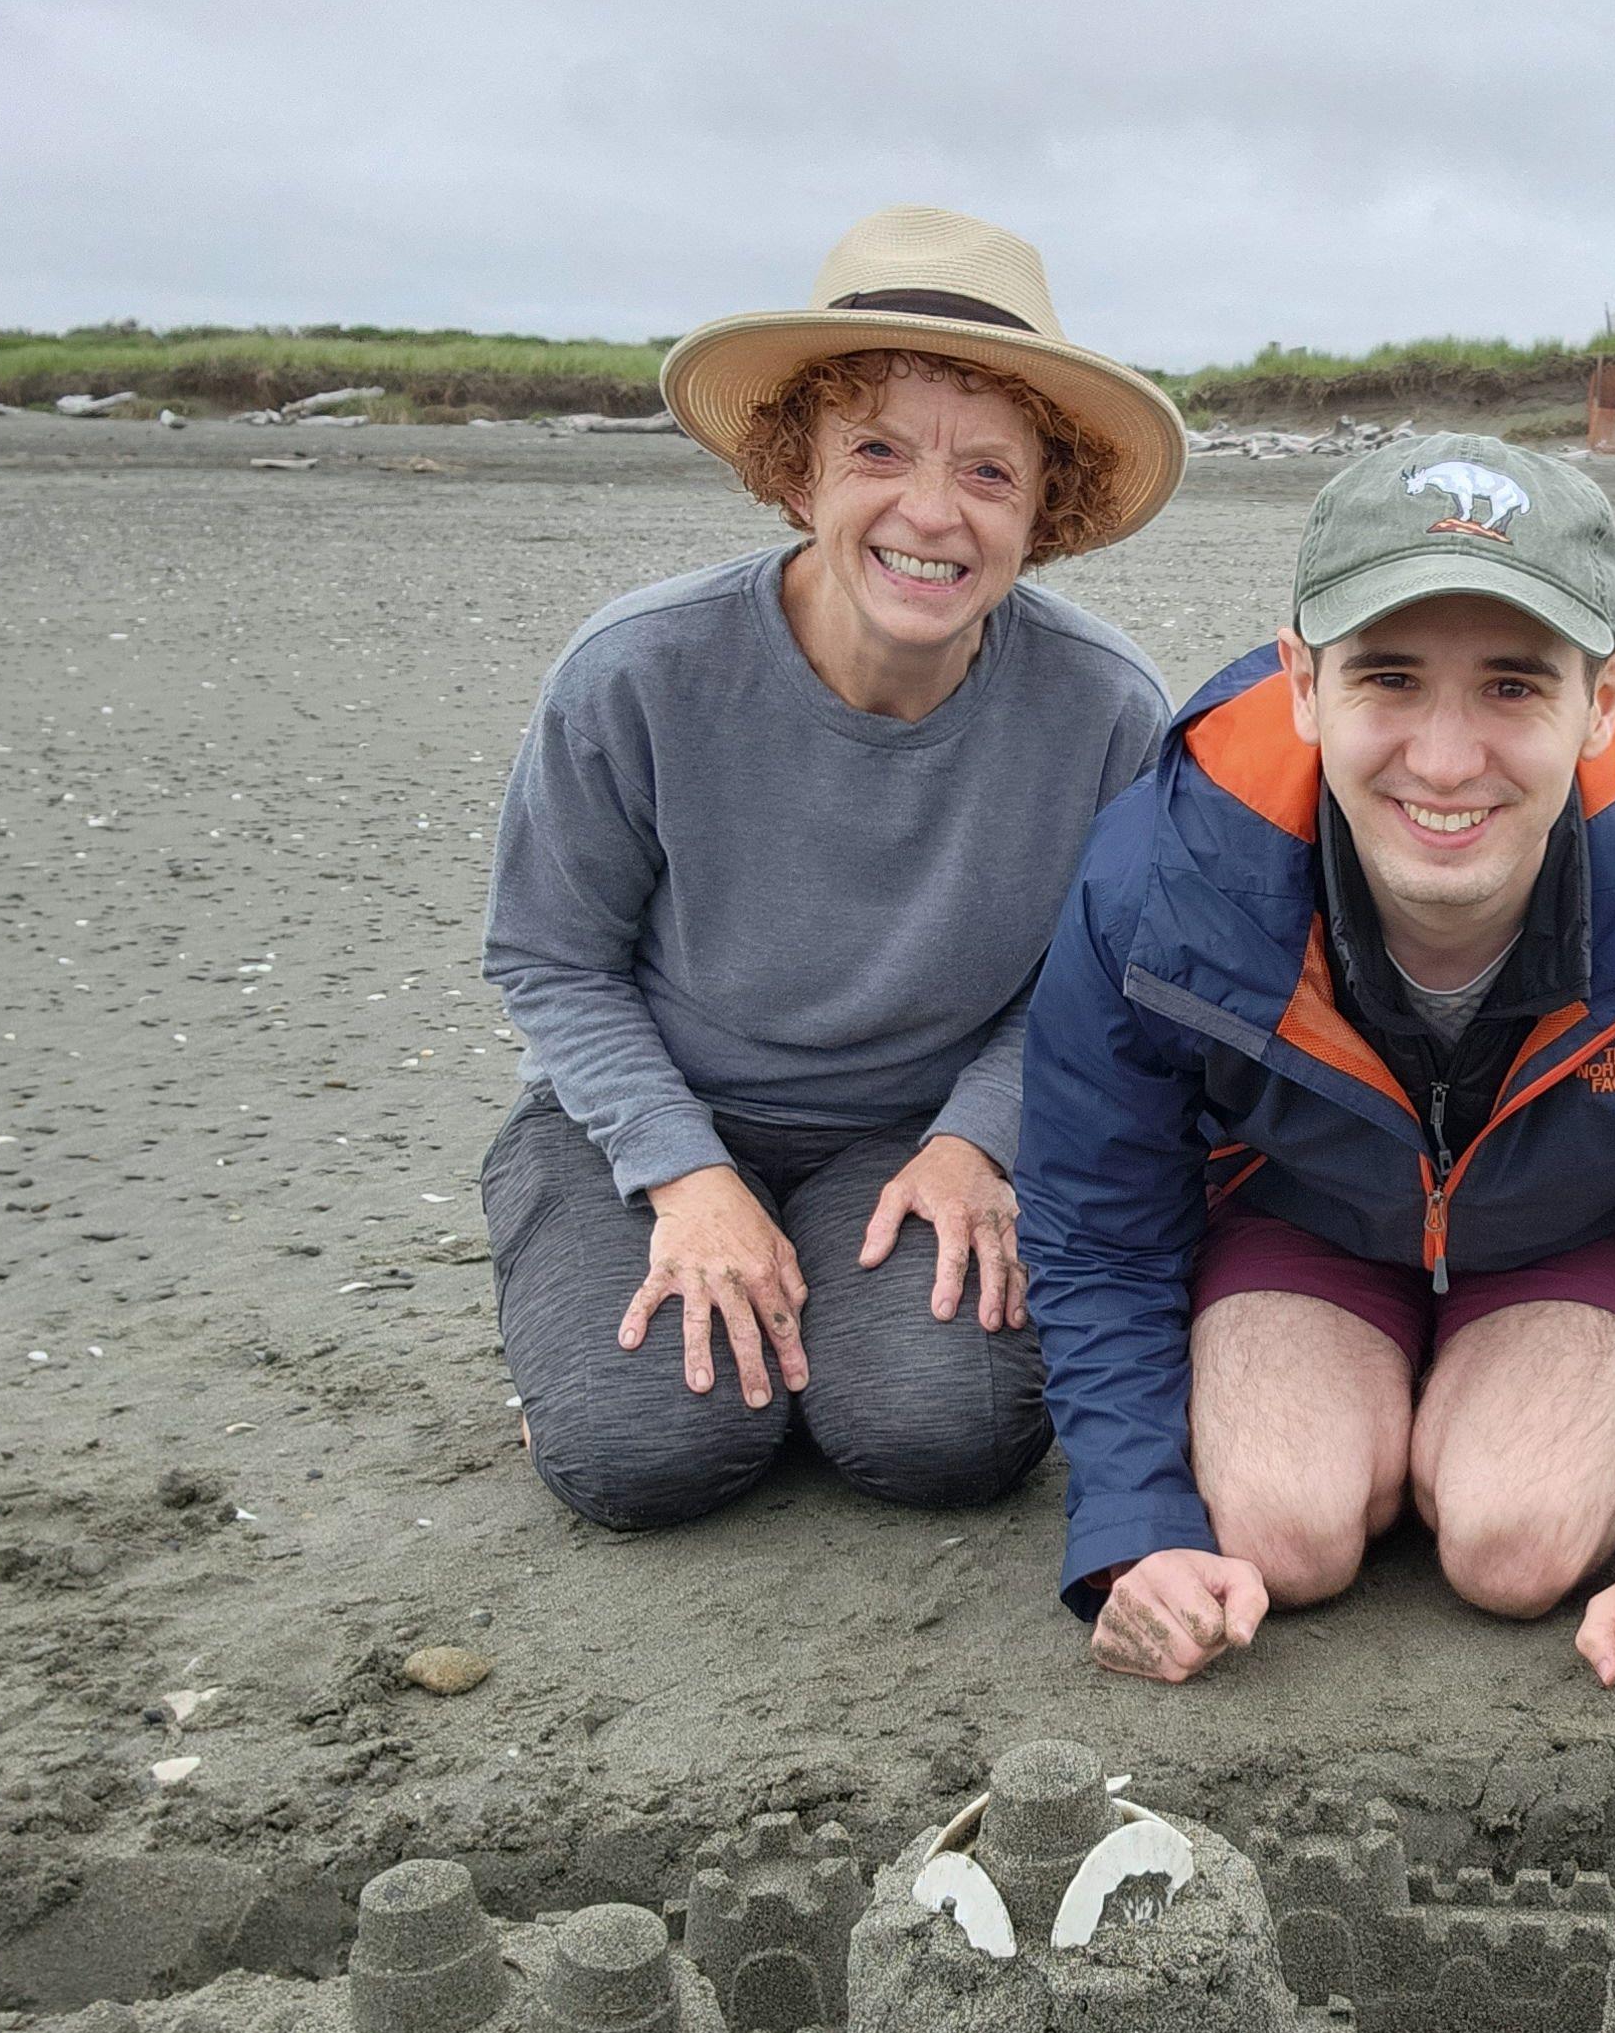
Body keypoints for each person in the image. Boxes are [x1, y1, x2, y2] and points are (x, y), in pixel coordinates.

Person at [1017, 433, 1615, 1691]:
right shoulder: (1160, 881)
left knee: (1518, 1552)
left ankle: (1476, 1399)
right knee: (1275, 1532)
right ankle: (1377, 1396)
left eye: (1515, 686)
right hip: (1299, 1219)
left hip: (1575, 1231)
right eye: (1390, 678)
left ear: (1608, 694)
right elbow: (1098, 1230)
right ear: (1304, 683)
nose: (1448, 759)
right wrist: (1138, 1530)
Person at [479, 205, 1183, 1531]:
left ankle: (825, 1316)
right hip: (649, 1108)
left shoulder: (1107, 709)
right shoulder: (637, 671)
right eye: (878, 451)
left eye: (988, 473)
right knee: (644, 1458)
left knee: (948, 1439)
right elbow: (549, 954)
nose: (931, 511)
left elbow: (1108, 978)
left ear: (1048, 509)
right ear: (799, 474)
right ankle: (595, 1312)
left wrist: (984, 1137)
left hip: (912, 1135)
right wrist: (686, 1176)